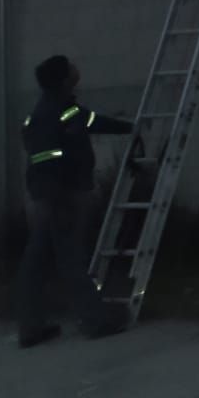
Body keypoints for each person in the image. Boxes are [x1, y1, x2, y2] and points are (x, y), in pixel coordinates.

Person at [17, 55, 137, 347]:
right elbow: (48, 157)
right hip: (61, 196)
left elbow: (90, 121)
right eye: (70, 67)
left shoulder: (55, 109)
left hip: (51, 196)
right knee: (70, 259)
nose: (76, 69)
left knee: (37, 261)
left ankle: (31, 327)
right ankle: (97, 320)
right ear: (62, 78)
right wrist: (58, 197)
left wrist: (126, 126)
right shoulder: (55, 111)